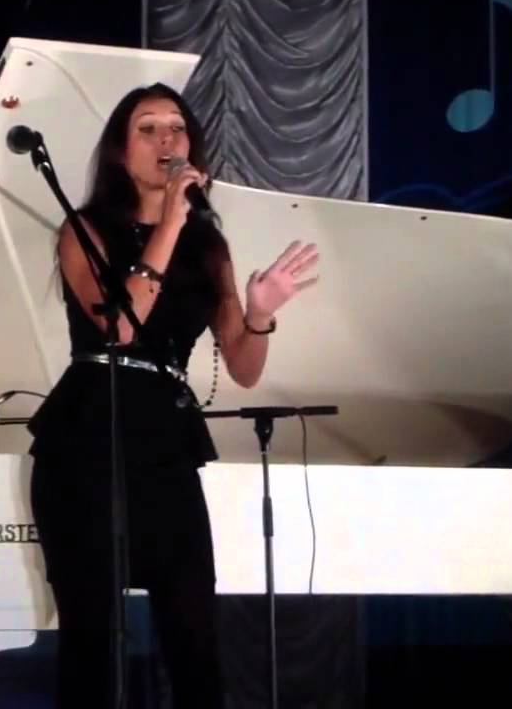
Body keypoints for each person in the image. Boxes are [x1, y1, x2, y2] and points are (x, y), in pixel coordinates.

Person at [26, 83, 319, 708]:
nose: (167, 139)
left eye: (177, 127)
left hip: (165, 442)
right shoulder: (86, 230)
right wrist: (171, 222)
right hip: (88, 439)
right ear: (120, 151)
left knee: (194, 638)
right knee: (92, 643)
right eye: (148, 128)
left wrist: (261, 313)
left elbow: (243, 366)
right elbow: (119, 327)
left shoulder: (208, 247)